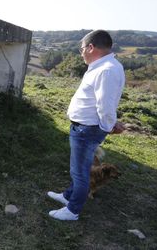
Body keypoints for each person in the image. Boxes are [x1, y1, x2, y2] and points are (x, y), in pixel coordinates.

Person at [47, 30, 125, 221]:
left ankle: (72, 210)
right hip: (84, 128)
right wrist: (112, 123)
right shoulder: (104, 67)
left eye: (82, 49)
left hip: (86, 130)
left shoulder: (106, 70)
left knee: (80, 172)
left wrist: (109, 125)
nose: (81, 53)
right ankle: (68, 196)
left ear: (91, 47)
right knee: (80, 169)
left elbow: (105, 106)